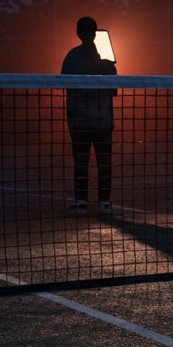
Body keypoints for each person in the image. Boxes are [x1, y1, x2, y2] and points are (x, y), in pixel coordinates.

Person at [61, 16, 118, 214]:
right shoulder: (107, 59)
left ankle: (81, 201)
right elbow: (113, 89)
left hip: (78, 121)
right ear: (95, 33)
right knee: (104, 160)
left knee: (80, 160)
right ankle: (105, 202)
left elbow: (65, 86)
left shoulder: (70, 57)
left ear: (78, 33)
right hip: (102, 120)